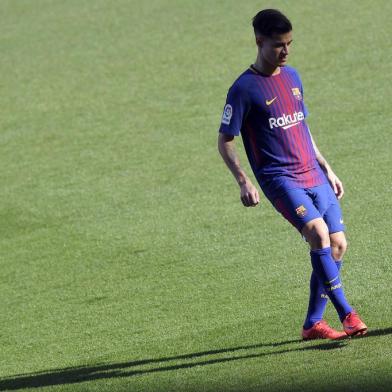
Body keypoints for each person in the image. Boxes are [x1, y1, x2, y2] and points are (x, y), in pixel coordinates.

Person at [218, 9, 367, 340]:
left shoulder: (293, 77)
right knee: (318, 234)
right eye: (278, 45)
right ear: (259, 41)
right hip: (280, 179)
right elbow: (225, 140)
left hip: (312, 173)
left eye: (289, 44)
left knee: (338, 244)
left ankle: (313, 324)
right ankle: (347, 314)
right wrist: (243, 180)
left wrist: (327, 168)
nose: (285, 52)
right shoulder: (243, 89)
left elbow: (302, 127)